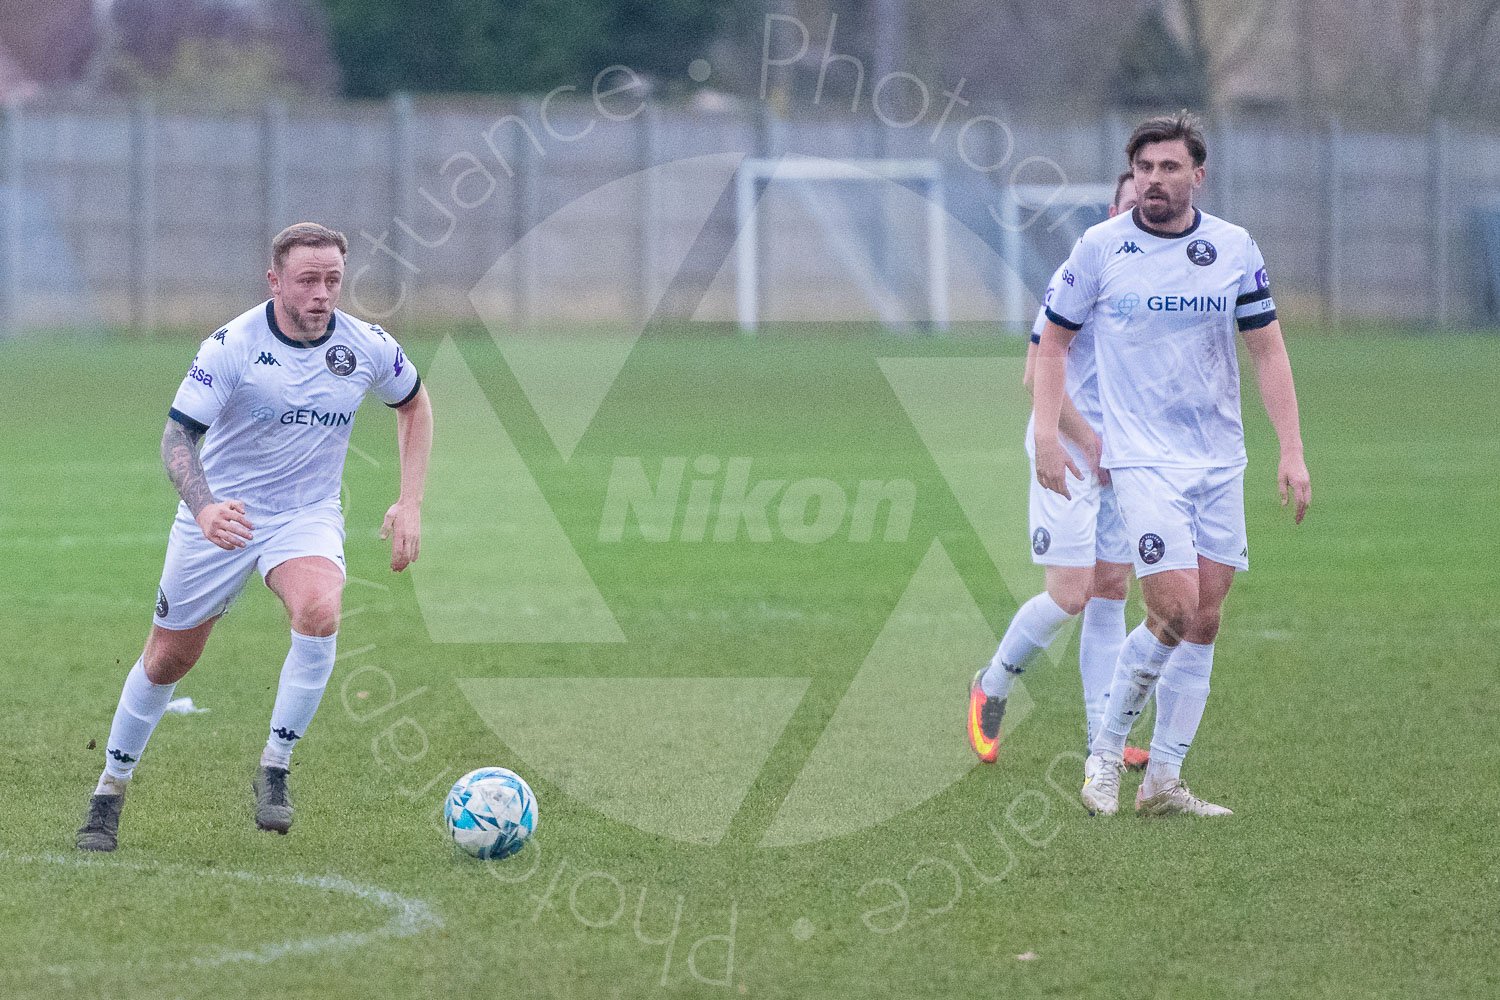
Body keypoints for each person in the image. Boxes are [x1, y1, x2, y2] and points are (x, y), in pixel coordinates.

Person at [76, 222, 433, 851]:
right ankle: (111, 787)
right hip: (223, 515)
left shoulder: (366, 346)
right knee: (168, 659)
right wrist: (206, 507)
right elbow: (177, 437)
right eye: (307, 281)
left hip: (306, 514)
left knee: (320, 611)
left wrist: (411, 502)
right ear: (275, 281)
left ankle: (274, 767)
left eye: (332, 281)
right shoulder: (232, 346)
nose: (322, 294)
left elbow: (414, 403)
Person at [1033, 112, 1310, 818]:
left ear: (1197, 175)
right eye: (1145, 169)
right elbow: (1054, 345)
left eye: (1168, 168)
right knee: (1174, 606)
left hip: (1218, 460)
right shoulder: (1099, 248)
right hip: (1141, 461)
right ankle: (1104, 755)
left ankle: (1163, 781)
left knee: (1207, 619)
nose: (1155, 181)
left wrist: (1292, 449)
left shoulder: (1232, 247)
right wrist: (1045, 434)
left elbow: (1267, 349)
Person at [967, 170, 1150, 772]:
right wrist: (1086, 441)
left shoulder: (1160, 283)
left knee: (1111, 592)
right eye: (1128, 207)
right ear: (1112, 209)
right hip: (1069, 453)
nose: (1137, 222)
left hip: (1123, 460)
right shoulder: (1077, 275)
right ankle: (992, 685)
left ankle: (1104, 737)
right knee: (1070, 593)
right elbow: (1034, 374)